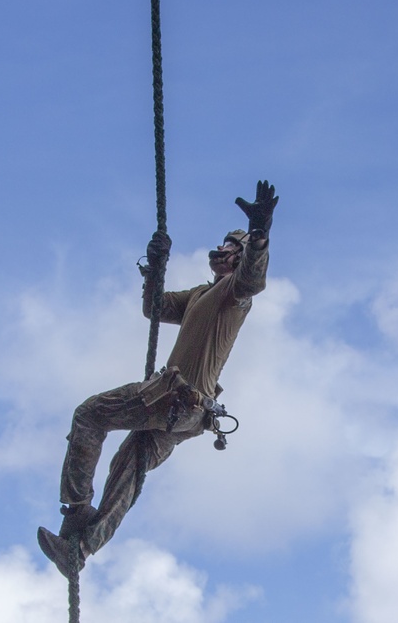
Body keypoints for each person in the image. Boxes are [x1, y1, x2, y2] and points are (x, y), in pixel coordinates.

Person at [37, 180, 278, 578]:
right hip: (187, 414)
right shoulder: (202, 295)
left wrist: (258, 236)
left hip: (175, 398)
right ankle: (79, 548)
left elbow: (253, 280)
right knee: (128, 467)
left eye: (229, 248)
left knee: (90, 415)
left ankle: (77, 510)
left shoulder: (234, 294)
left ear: (237, 257)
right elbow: (155, 307)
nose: (219, 251)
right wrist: (155, 269)